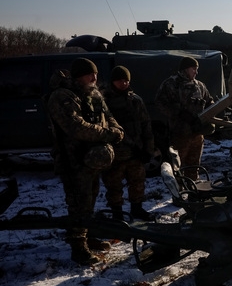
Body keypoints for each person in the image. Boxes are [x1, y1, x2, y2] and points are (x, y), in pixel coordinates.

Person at [46, 58, 124, 265]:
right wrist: (108, 135)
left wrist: (117, 130)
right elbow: (75, 127)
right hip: (72, 160)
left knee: (90, 199)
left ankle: (87, 237)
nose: (95, 78)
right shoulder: (62, 96)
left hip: (91, 159)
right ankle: (78, 247)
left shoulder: (93, 94)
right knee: (78, 202)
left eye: (96, 74)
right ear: (78, 76)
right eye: (90, 74)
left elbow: (108, 116)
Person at [101, 66, 155, 221]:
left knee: (137, 182)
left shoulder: (135, 100)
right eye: (120, 80)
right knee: (113, 185)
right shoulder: (104, 101)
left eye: (126, 80)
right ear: (113, 82)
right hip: (114, 153)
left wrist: (148, 149)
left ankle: (137, 209)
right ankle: (117, 214)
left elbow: (146, 125)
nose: (123, 83)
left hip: (135, 152)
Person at [155, 56, 214, 181]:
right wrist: (178, 113)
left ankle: (192, 192)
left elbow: (210, 101)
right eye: (194, 69)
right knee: (178, 168)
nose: (196, 72)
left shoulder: (199, 86)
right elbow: (160, 103)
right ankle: (179, 195)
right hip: (179, 135)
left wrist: (208, 117)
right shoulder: (170, 84)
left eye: (197, 69)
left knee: (194, 167)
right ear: (185, 69)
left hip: (197, 135)